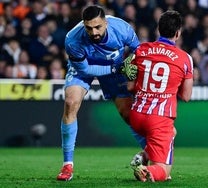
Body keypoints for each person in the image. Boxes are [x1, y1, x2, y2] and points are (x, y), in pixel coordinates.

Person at [56, 5, 144, 181]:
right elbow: (86, 69)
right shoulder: (73, 39)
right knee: (70, 103)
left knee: (128, 114)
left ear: (106, 22)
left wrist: (134, 69)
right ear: (84, 25)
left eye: (98, 27)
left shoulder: (122, 28)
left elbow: (139, 51)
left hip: (116, 68)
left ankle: (153, 156)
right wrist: (115, 69)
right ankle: (67, 165)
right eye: (89, 28)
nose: (94, 32)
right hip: (87, 70)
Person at [127, 10, 193, 182]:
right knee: (164, 172)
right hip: (159, 118)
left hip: (136, 115)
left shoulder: (141, 50)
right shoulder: (185, 58)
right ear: (178, 33)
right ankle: (144, 170)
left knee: (172, 132)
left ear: (158, 29)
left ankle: (142, 157)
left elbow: (130, 86)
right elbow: (186, 96)